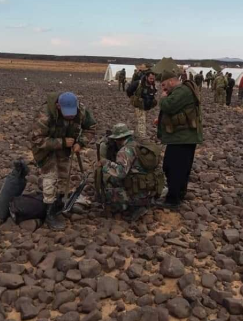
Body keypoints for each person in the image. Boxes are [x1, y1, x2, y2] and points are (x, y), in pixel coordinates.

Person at [31, 92, 96, 230]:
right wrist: (61, 142)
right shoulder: (45, 115)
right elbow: (37, 139)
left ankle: (58, 205)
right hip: (46, 149)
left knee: (64, 176)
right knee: (50, 178)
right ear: (58, 106)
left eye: (73, 112)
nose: (71, 116)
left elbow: (91, 128)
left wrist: (80, 143)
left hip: (65, 148)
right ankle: (49, 213)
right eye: (67, 113)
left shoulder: (81, 111)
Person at [156, 71, 203, 209]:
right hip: (184, 137)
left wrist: (163, 98)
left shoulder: (181, 91)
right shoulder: (183, 90)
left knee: (173, 168)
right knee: (181, 168)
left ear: (171, 81)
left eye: (164, 85)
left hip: (181, 138)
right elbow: (180, 111)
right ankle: (179, 194)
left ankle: (173, 200)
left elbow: (168, 106)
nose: (163, 88)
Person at [97, 123, 164, 220]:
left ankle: (130, 206)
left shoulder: (125, 151)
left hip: (138, 194)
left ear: (117, 139)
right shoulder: (138, 145)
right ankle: (146, 201)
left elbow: (120, 173)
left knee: (110, 183)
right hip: (151, 189)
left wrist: (106, 164)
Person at [126, 71, 158, 138]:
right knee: (141, 121)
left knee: (142, 121)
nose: (152, 80)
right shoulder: (138, 83)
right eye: (150, 78)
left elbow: (153, 94)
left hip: (147, 106)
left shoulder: (152, 85)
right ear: (146, 77)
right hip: (139, 106)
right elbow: (129, 90)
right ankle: (142, 137)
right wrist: (134, 99)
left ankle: (138, 135)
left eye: (153, 79)